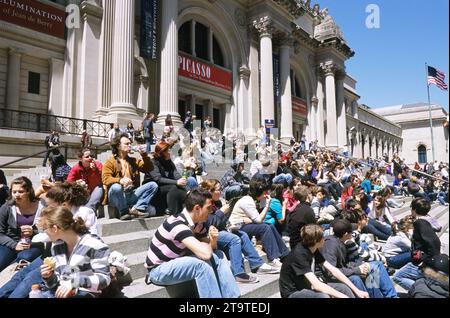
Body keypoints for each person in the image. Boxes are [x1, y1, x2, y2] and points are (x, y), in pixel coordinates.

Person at [145, 189, 241, 298]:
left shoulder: (198, 224)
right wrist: (208, 242)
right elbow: (206, 254)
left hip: (178, 262)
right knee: (200, 265)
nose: (211, 212)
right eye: (208, 208)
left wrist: (213, 240)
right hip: (158, 270)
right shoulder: (177, 224)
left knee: (219, 255)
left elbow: (211, 249)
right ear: (197, 208)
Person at [200, 179, 279, 283]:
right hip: (208, 234)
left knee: (243, 235)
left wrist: (229, 223)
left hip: (221, 230)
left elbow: (221, 222)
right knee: (235, 239)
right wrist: (221, 212)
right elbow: (208, 222)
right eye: (219, 190)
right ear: (210, 191)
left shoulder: (218, 202)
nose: (221, 192)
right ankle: (239, 273)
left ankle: (257, 264)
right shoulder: (204, 202)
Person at [279, 224, 369, 298]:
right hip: (292, 293)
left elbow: (334, 270)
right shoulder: (299, 255)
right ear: (315, 240)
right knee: (323, 296)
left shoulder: (313, 248)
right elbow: (317, 285)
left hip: (307, 286)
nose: (324, 239)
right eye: (322, 237)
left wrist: (357, 291)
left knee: (343, 288)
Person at [39, 206, 111, 298]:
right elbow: (58, 282)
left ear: (55, 229)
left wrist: (74, 282)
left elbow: (104, 280)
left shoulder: (94, 245)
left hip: (87, 293)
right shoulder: (57, 246)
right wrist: (49, 276)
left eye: (44, 228)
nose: (43, 232)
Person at [321, 219, 398, 298]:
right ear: (346, 234)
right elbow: (330, 272)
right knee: (356, 278)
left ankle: (391, 296)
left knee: (376, 265)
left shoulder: (342, 241)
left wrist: (362, 265)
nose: (352, 234)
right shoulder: (331, 245)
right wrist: (357, 269)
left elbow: (348, 262)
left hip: (345, 270)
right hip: (334, 278)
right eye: (351, 232)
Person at [228, 179, 290, 268]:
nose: (266, 195)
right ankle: (272, 258)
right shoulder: (247, 201)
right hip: (237, 227)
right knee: (265, 227)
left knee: (270, 226)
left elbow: (255, 219)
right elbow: (259, 220)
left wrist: (251, 219)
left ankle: (284, 254)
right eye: (265, 193)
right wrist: (267, 205)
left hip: (244, 224)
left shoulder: (251, 200)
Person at [102, 133, 158, 220]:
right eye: (126, 144)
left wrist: (144, 155)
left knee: (153, 185)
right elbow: (106, 179)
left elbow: (149, 168)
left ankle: (137, 209)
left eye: (130, 143)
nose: (130, 145)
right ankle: (123, 212)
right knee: (116, 187)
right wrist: (120, 180)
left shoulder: (133, 160)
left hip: (131, 193)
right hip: (117, 196)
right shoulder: (110, 162)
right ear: (118, 146)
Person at [392, 198, 442, 290]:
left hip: (422, 261)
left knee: (397, 277)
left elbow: (434, 242)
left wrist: (426, 260)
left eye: (411, 208)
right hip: (422, 259)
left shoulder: (420, 223)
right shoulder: (426, 221)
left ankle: (422, 292)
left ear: (414, 209)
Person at [0, 177, 45, 271]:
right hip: (11, 242)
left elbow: (49, 229)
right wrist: (14, 245)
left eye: (20, 192)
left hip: (33, 244)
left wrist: (34, 231)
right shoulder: (7, 207)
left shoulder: (42, 206)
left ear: (28, 191)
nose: (16, 195)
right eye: (14, 192)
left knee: (26, 257)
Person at [143, 141, 197, 215]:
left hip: (166, 187)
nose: (170, 152)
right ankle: (173, 212)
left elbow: (176, 174)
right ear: (162, 153)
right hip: (154, 190)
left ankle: (192, 205)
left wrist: (183, 181)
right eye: (168, 150)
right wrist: (176, 182)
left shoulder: (169, 161)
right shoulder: (153, 162)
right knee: (174, 187)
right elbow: (158, 179)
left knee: (189, 181)